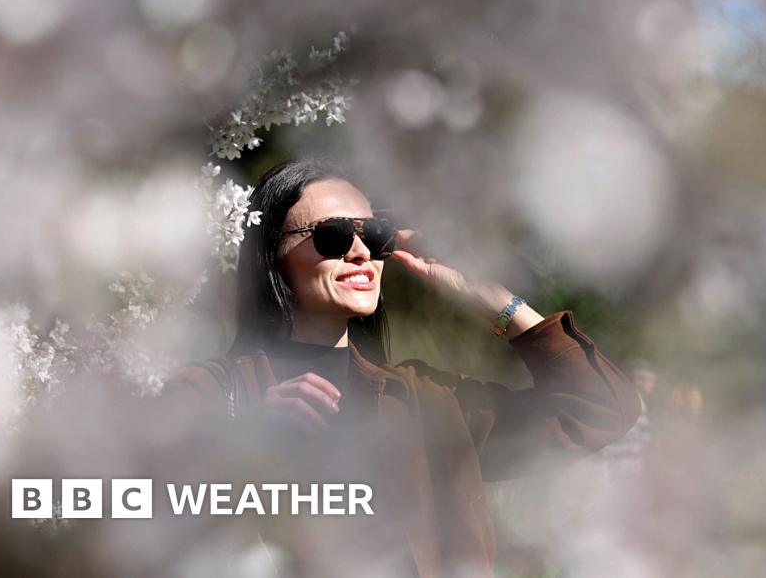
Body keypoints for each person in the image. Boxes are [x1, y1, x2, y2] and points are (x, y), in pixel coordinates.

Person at [160, 159, 642, 577]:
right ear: (273, 255)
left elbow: (600, 409)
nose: (360, 252)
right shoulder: (212, 392)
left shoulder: (425, 401)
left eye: (373, 234)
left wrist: (491, 297)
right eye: (332, 236)